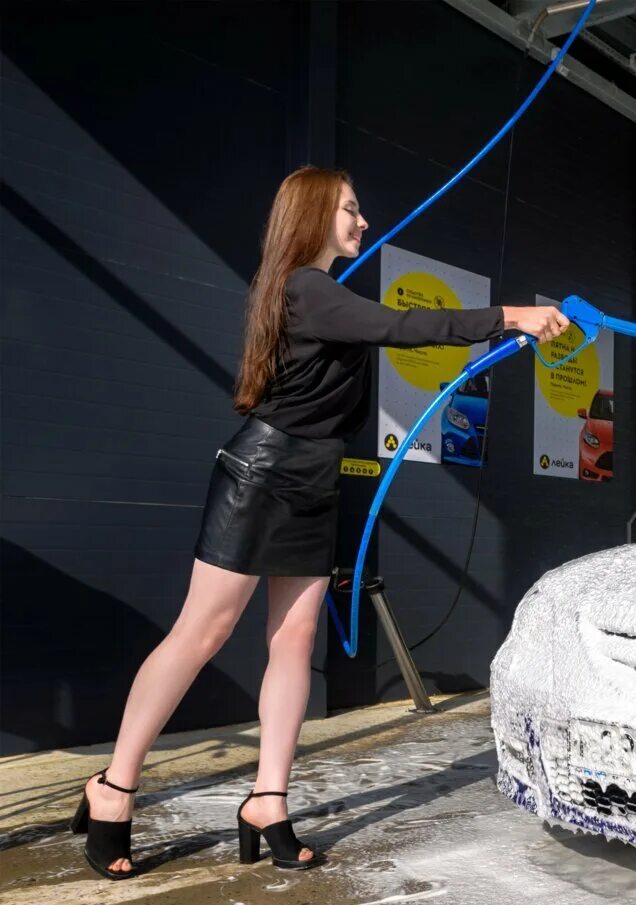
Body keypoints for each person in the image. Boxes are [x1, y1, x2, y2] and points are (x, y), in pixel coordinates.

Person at [70, 166, 570, 880]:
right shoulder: (303, 288)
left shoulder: (324, 293)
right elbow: (402, 328)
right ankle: (114, 787)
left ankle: (267, 799)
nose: (363, 222)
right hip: (259, 477)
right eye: (351, 210)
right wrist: (510, 316)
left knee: (296, 639)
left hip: (312, 481)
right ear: (311, 215)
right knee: (202, 632)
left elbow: (381, 342)